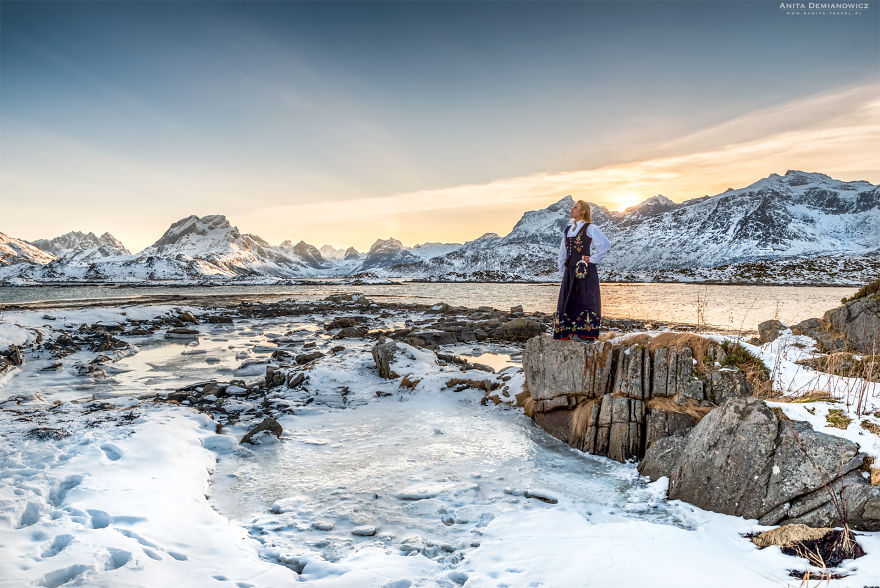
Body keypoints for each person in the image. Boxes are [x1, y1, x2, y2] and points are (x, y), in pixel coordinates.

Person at [553, 198, 610, 341]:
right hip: (570, 271)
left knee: (585, 300)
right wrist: (563, 272)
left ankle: (585, 334)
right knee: (569, 300)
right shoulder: (567, 230)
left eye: (575, 207)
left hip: (584, 271)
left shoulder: (590, 228)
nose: (572, 209)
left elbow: (605, 244)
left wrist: (592, 259)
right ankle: (569, 332)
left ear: (583, 211)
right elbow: (563, 253)